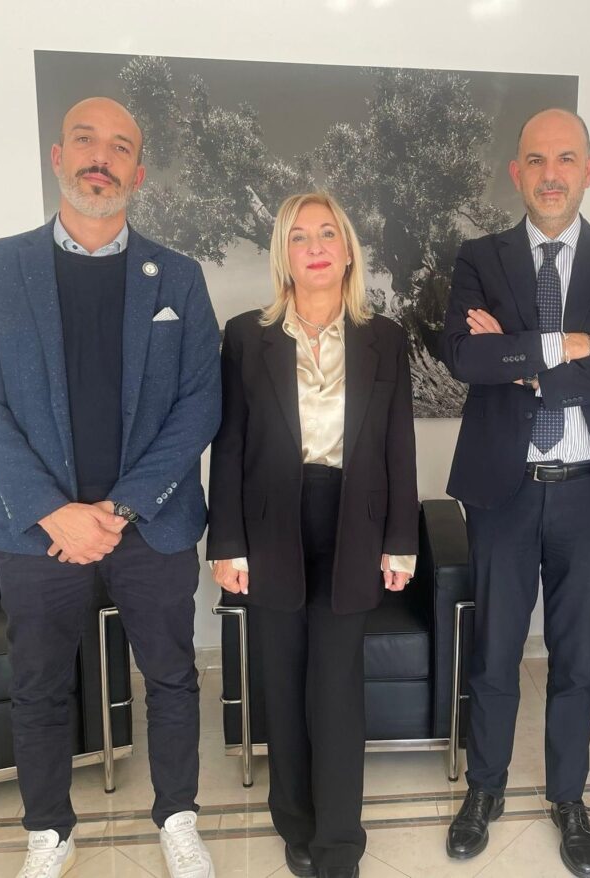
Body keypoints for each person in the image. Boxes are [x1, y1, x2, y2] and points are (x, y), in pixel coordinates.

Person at [0, 97, 220, 878]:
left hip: (153, 524)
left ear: (138, 171)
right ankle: (49, 832)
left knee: (172, 677)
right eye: (85, 140)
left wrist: (118, 507)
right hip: (37, 531)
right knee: (38, 684)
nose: (101, 157)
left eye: (120, 146)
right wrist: (53, 511)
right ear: (58, 157)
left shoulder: (178, 276)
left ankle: (177, 817)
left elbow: (199, 403)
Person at [439, 108, 590, 878]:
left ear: (589, 169)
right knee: (495, 653)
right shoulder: (481, 257)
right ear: (517, 173)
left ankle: (569, 798)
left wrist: (527, 363)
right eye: (536, 160)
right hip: (502, 492)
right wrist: (571, 345)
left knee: (574, 661)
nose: (551, 174)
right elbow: (466, 357)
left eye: (566, 158)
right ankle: (486, 789)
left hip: (589, 495)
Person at [207, 192, 418, 878]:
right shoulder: (247, 335)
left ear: (348, 249)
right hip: (270, 525)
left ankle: (338, 842)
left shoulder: (384, 337)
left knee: (336, 687)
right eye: (300, 236)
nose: (316, 246)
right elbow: (229, 446)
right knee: (283, 678)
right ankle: (294, 822)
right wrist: (226, 543)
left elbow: (397, 443)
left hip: (353, 523)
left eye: (328, 233)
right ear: (285, 254)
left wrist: (401, 540)